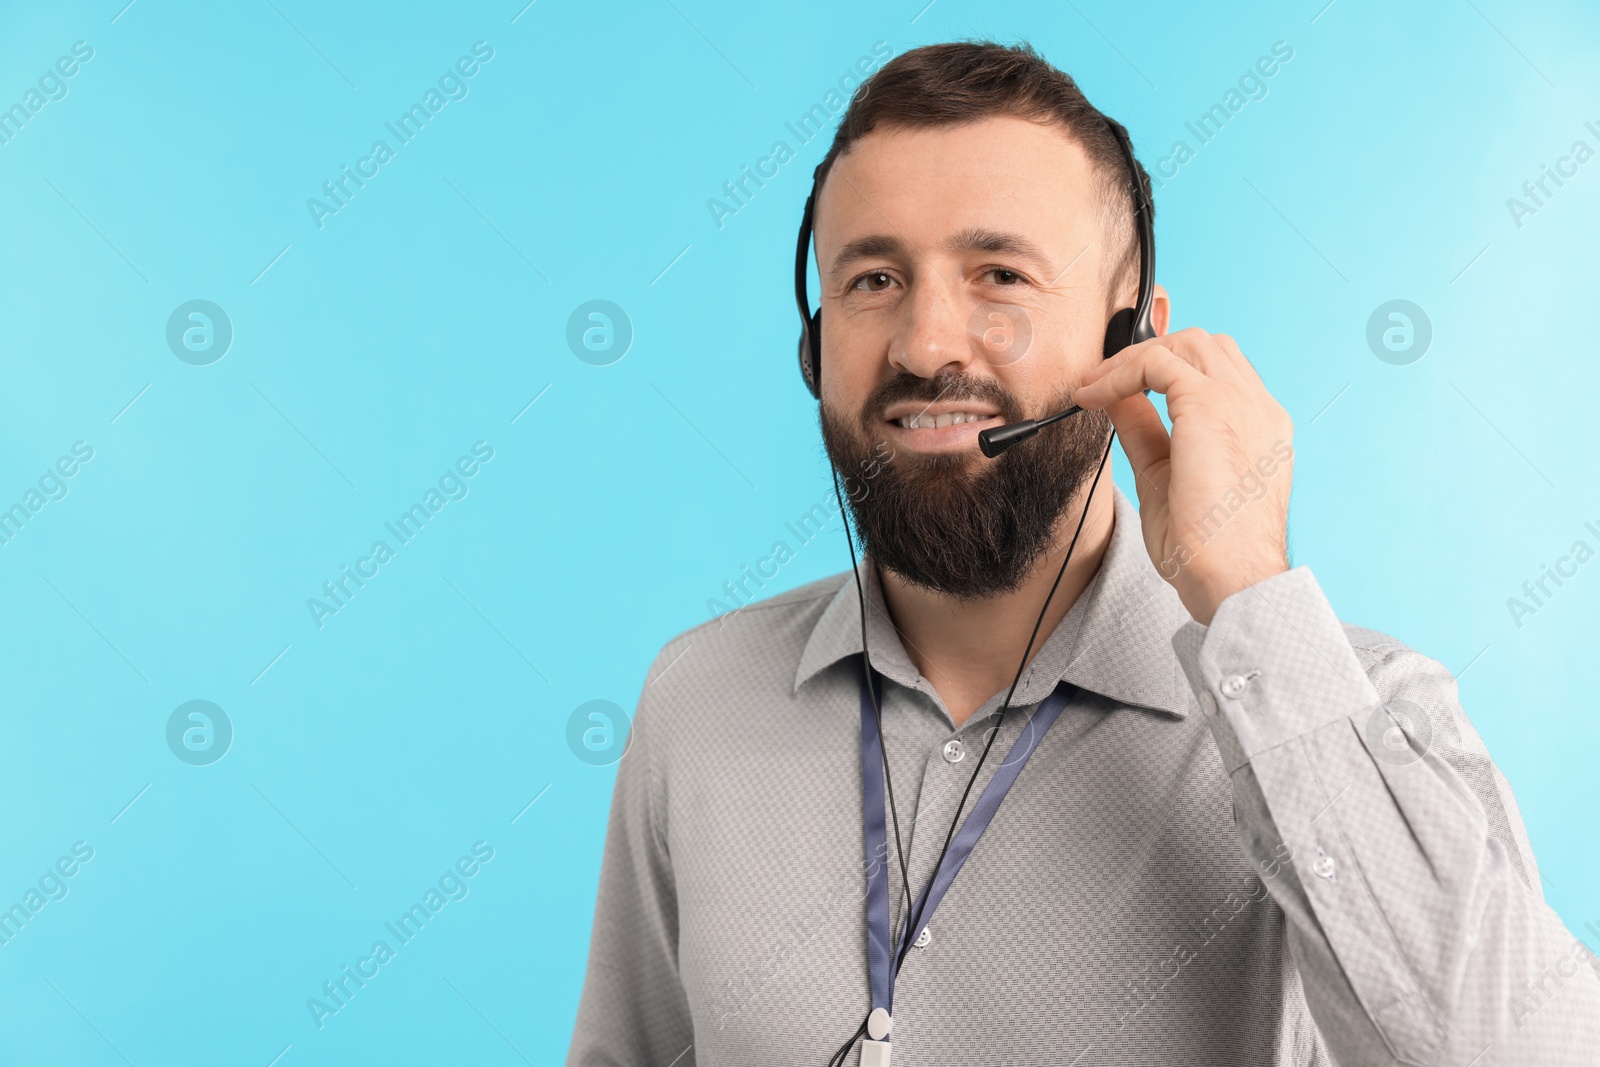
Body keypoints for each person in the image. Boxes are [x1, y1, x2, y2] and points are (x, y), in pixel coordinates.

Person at [566, 40, 1600, 1066]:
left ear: (1128, 345)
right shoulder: (696, 696)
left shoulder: (1359, 711)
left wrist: (1245, 591)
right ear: (813, 341)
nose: (926, 345)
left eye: (999, 275)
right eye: (875, 278)